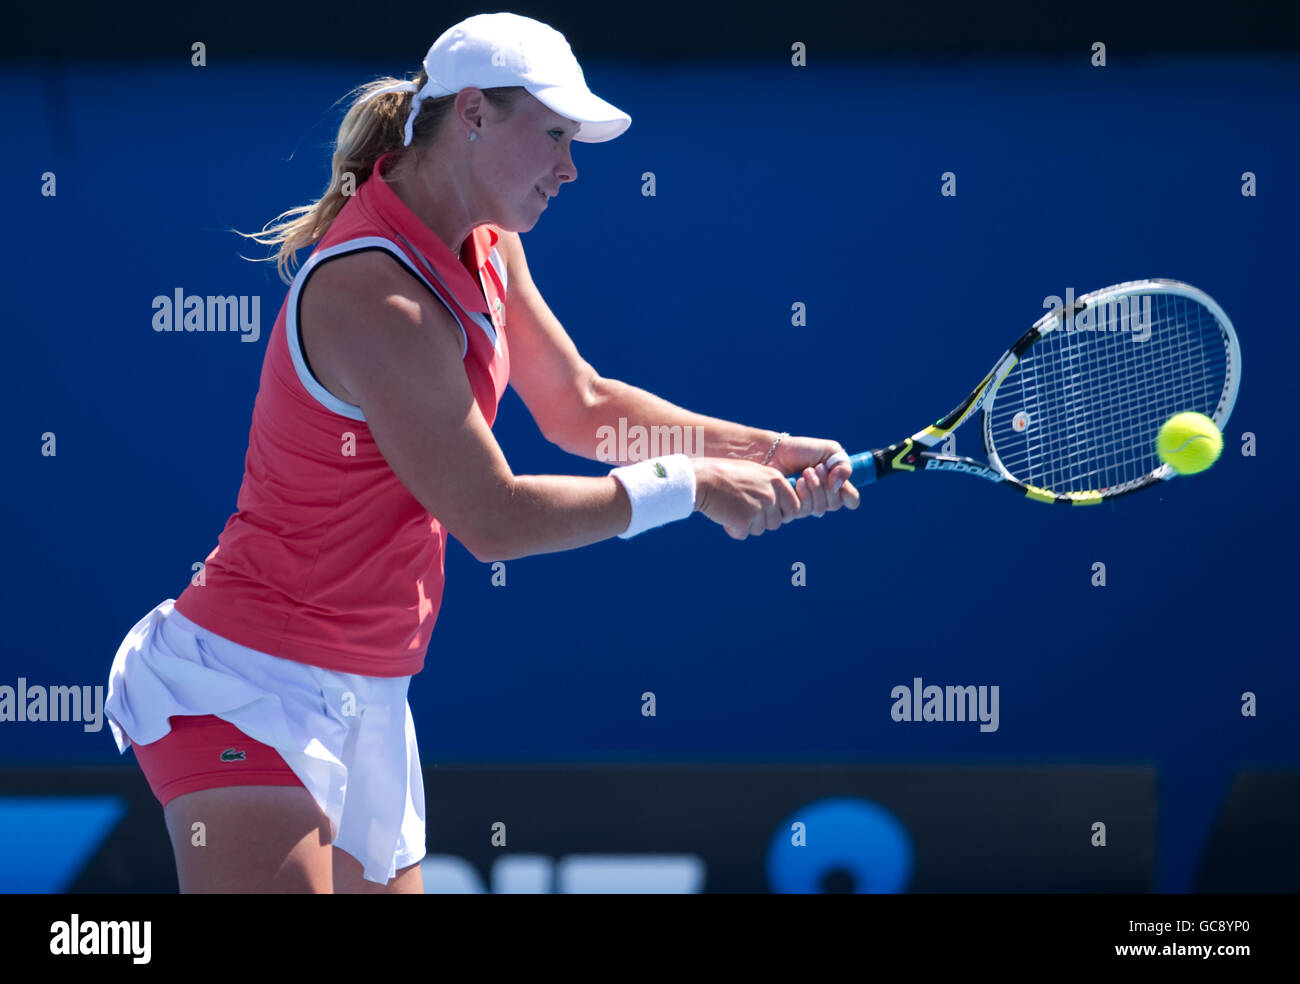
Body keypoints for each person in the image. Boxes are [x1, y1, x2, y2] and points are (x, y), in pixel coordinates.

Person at [104, 12, 860, 894]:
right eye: (552, 136)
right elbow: (492, 519)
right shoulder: (371, 293)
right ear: (472, 115)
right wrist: (690, 485)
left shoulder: (490, 250)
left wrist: (767, 451)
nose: (571, 168)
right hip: (244, 684)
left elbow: (582, 407)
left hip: (372, 689)